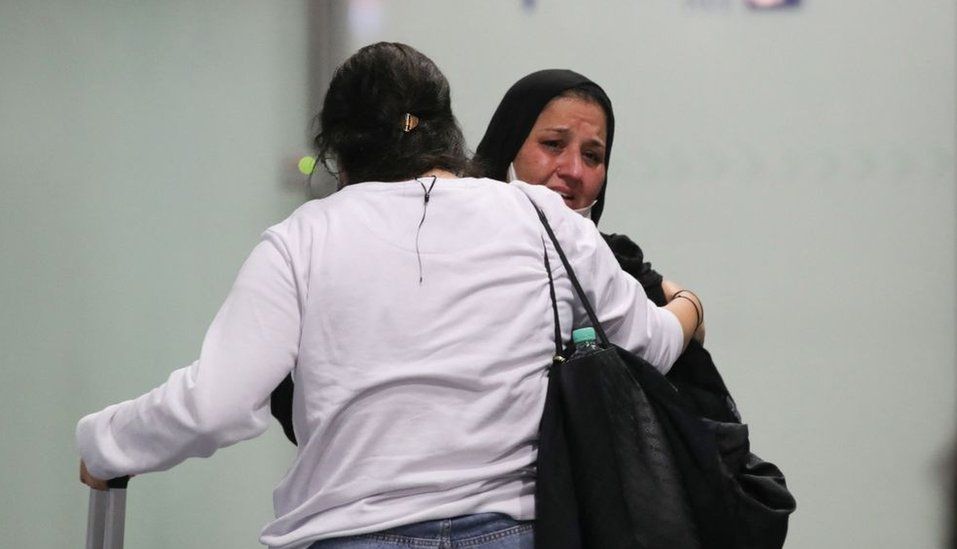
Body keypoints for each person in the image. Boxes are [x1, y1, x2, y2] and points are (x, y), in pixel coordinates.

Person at [76, 43, 705, 549]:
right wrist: (692, 308)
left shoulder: (302, 239)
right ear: (446, 130)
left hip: (348, 530)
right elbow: (647, 343)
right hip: (514, 531)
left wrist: (105, 441)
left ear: (338, 148)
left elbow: (214, 404)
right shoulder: (541, 217)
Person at [474, 69, 796, 547]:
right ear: (507, 147)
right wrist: (691, 304)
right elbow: (670, 334)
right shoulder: (453, 249)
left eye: (593, 155)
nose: (574, 171)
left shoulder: (616, 263)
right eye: (553, 144)